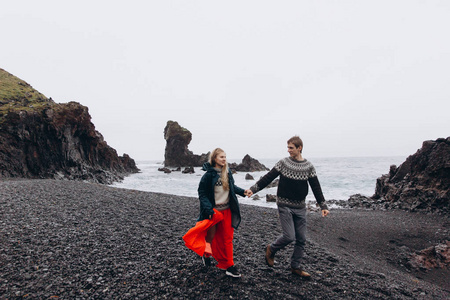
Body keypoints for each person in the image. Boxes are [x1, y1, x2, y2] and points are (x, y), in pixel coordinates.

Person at [247, 136, 329, 279]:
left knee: (301, 239)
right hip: (284, 205)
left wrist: (323, 205)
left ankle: (295, 267)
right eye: (288, 147)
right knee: (289, 236)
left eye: (291, 148)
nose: (288, 150)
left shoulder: (308, 166)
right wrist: (253, 190)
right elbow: (268, 177)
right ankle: (271, 249)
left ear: (299, 148)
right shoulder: (283, 163)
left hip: (300, 207)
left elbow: (316, 186)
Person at [183, 148, 252, 278]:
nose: (224, 159)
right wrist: (209, 210)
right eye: (221, 157)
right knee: (210, 238)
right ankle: (205, 254)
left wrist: (244, 192)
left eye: (225, 157)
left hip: (227, 210)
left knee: (227, 239)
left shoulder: (227, 172)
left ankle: (229, 266)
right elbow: (202, 193)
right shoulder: (208, 175)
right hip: (214, 212)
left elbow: (232, 188)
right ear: (215, 159)